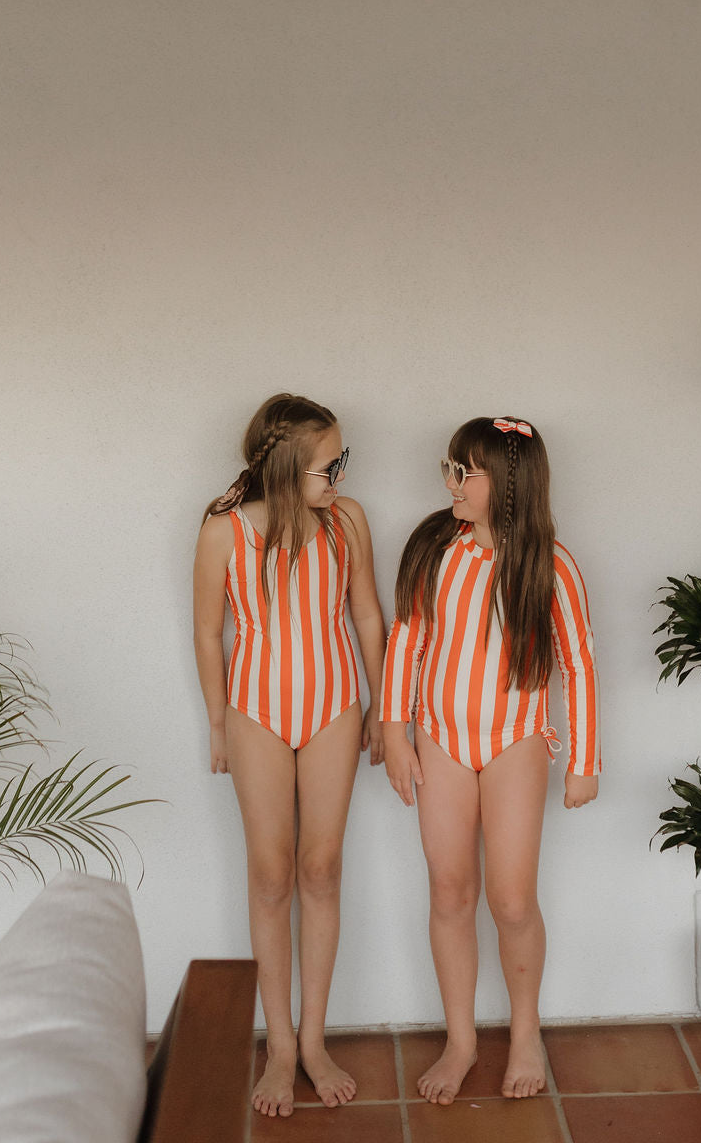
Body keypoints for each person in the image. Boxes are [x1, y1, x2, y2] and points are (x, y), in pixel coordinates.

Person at [380, 416, 600, 1104]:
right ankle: (462, 1038)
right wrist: (394, 730)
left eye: (462, 471)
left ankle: (525, 1028)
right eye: (448, 467)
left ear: (505, 485)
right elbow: (408, 639)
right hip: (441, 739)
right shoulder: (435, 552)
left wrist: (584, 760)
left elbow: (580, 664)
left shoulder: (550, 565)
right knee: (450, 891)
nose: (449, 481)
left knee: (509, 898)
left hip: (515, 742)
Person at [193, 393, 386, 1119]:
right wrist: (217, 724)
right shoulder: (224, 530)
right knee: (271, 874)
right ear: (283, 467)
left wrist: (382, 710)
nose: (338, 474)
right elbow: (209, 633)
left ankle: (313, 1039)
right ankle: (277, 1046)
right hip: (255, 713)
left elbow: (367, 612)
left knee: (321, 868)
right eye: (327, 465)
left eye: (342, 461)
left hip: (336, 706)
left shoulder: (348, 520)